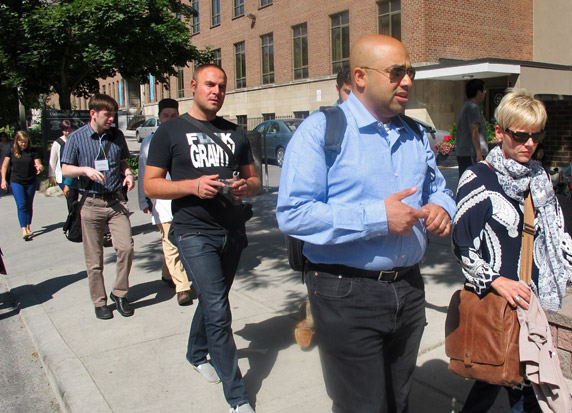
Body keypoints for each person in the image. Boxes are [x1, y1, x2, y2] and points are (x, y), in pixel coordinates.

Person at [276, 34, 456, 413]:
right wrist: (377, 217)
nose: (407, 81)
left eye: (410, 72)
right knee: (362, 406)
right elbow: (292, 213)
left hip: (407, 288)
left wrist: (442, 207)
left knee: (400, 399)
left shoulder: (414, 135)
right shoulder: (320, 131)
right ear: (360, 77)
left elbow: (437, 189)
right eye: (396, 72)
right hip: (345, 291)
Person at [451, 88, 572, 412]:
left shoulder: (538, 179)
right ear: (499, 132)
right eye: (520, 135)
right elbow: (462, 243)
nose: (529, 144)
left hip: (530, 302)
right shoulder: (479, 178)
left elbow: (558, 236)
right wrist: (498, 281)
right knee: (505, 377)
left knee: (507, 377)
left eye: (536, 136)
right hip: (497, 302)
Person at [144, 64, 260, 413]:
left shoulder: (236, 133)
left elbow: (255, 182)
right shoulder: (170, 132)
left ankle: (196, 352)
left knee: (214, 300)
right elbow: (151, 184)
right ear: (193, 86)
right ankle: (237, 396)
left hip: (232, 231)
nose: (217, 92)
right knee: (218, 309)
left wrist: (244, 187)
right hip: (194, 231)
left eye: (223, 86)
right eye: (210, 84)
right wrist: (191, 186)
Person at [61, 94, 136, 321]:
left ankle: (119, 293)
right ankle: (99, 301)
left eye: (113, 114)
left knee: (126, 248)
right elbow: (64, 169)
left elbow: (123, 161)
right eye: (107, 115)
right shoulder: (77, 138)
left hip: (114, 202)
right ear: (93, 113)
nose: (111, 119)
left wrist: (128, 173)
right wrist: (84, 170)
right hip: (90, 203)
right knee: (94, 259)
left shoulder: (117, 136)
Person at [137, 98, 193, 306]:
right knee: (170, 244)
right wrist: (144, 199)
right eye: (165, 115)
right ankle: (183, 288)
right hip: (161, 201)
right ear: (159, 118)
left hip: (185, 199)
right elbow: (143, 173)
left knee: (174, 243)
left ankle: (167, 274)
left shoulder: (185, 138)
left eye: (173, 115)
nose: (169, 119)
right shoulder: (149, 143)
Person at [1, 131, 43, 240]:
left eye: (25, 142)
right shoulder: (11, 151)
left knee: (29, 205)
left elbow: (38, 164)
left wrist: (39, 167)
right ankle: (23, 229)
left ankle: (28, 226)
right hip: (16, 181)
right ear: (17, 141)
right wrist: (3, 180)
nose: (23, 144)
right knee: (22, 204)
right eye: (21, 142)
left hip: (30, 181)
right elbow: (4, 166)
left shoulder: (33, 151)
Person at [456, 78, 489, 175]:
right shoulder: (472, 108)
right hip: (471, 154)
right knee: (474, 180)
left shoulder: (467, 106)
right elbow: (474, 130)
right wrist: (479, 154)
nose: (485, 93)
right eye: (483, 90)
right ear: (478, 92)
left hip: (465, 153)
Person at [49, 120, 78, 212]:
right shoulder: (58, 143)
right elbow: (53, 160)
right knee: (71, 199)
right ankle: (73, 221)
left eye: (69, 130)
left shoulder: (76, 140)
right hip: (63, 176)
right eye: (65, 130)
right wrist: (51, 175)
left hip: (76, 175)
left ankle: (76, 220)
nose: (67, 132)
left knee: (76, 200)